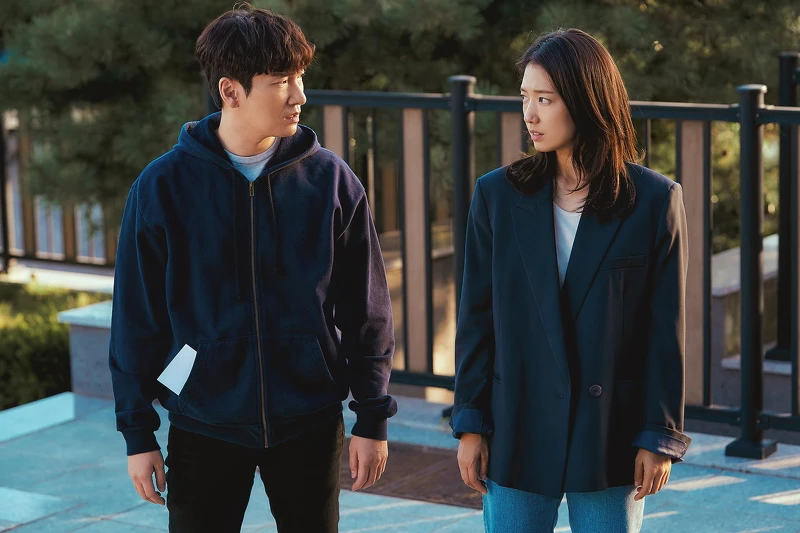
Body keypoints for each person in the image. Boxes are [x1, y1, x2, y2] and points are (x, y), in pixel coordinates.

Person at [109, 6, 397, 532]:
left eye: (300, 77)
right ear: (230, 90)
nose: (299, 95)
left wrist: (372, 417)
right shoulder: (162, 188)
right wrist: (137, 434)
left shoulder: (331, 182)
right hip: (203, 422)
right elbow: (135, 318)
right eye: (281, 80)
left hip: (309, 421)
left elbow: (367, 309)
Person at [450, 28, 691, 533]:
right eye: (525, 97)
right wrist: (471, 424)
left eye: (545, 99)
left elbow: (664, 330)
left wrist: (658, 435)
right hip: (517, 422)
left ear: (586, 100)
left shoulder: (652, 201)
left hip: (610, 431)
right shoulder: (497, 196)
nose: (530, 115)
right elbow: (476, 318)